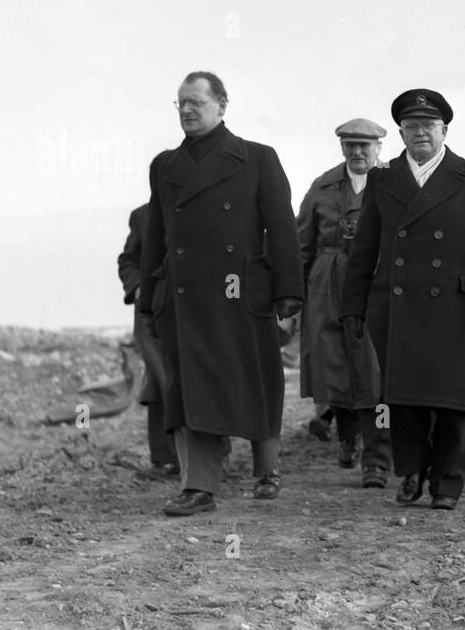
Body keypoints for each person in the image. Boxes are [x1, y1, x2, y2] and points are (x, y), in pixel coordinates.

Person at [138, 71, 303, 516]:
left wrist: (289, 291)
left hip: (240, 294)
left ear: (222, 105)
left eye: (196, 102)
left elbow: (282, 229)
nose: (188, 110)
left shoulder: (256, 158)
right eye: (181, 104)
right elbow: (157, 234)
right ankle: (199, 486)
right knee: (190, 388)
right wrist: (149, 293)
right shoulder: (165, 166)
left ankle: (267, 468)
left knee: (253, 379)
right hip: (184, 297)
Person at [339, 89, 465, 510]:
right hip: (396, 307)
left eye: (428, 126)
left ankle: (447, 484)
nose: (420, 133)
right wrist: (351, 306)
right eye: (411, 127)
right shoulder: (383, 180)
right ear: (400, 132)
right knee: (404, 398)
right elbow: (364, 249)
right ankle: (412, 472)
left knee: (453, 401)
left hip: (454, 305)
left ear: (445, 130)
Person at [295, 118, 393, 488]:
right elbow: (301, 243)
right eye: (350, 145)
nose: (357, 152)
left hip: (376, 285)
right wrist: (293, 298)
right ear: (341, 148)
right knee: (334, 369)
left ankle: (378, 458)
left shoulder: (394, 185)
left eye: (364, 146)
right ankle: (347, 436)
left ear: (378, 149)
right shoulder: (322, 187)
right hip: (327, 286)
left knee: (376, 377)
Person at [118, 202, 178, 477]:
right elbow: (128, 261)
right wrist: (139, 287)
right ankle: (165, 458)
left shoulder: (200, 208)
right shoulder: (142, 216)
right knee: (160, 378)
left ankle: (211, 457)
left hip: (190, 310)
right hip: (150, 312)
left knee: (192, 378)